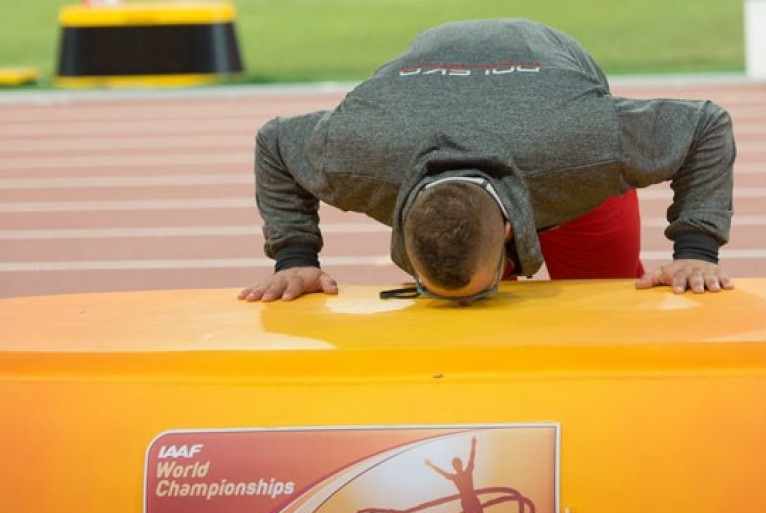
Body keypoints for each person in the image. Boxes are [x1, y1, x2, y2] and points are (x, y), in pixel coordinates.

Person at [239, 18, 736, 304]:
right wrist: (296, 258)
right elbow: (275, 143)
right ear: (400, 219)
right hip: (417, 116)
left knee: (604, 298)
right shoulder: (365, 158)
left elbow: (705, 126)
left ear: (506, 233)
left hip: (552, 130)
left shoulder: (585, 151)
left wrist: (696, 249)